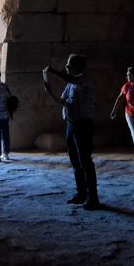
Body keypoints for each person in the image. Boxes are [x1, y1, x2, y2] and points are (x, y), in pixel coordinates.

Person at [43, 54, 100, 210]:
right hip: (71, 124)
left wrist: (54, 72)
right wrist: (50, 91)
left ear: (78, 66)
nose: (66, 67)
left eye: (69, 64)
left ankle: (93, 197)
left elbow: (73, 80)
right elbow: (62, 101)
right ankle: (81, 192)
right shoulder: (70, 84)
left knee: (85, 161)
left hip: (83, 124)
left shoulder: (84, 79)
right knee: (75, 161)